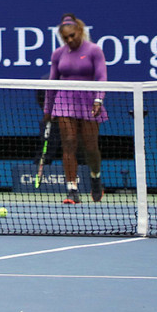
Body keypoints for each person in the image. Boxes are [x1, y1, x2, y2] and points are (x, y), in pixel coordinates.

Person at [43, 14, 108, 204]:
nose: (70, 40)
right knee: (69, 143)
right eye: (66, 38)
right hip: (64, 101)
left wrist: (98, 99)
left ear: (79, 31)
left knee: (90, 148)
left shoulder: (94, 50)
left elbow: (102, 77)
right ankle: (72, 189)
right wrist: (48, 109)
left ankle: (95, 177)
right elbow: (52, 82)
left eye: (72, 36)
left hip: (89, 101)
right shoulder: (58, 54)